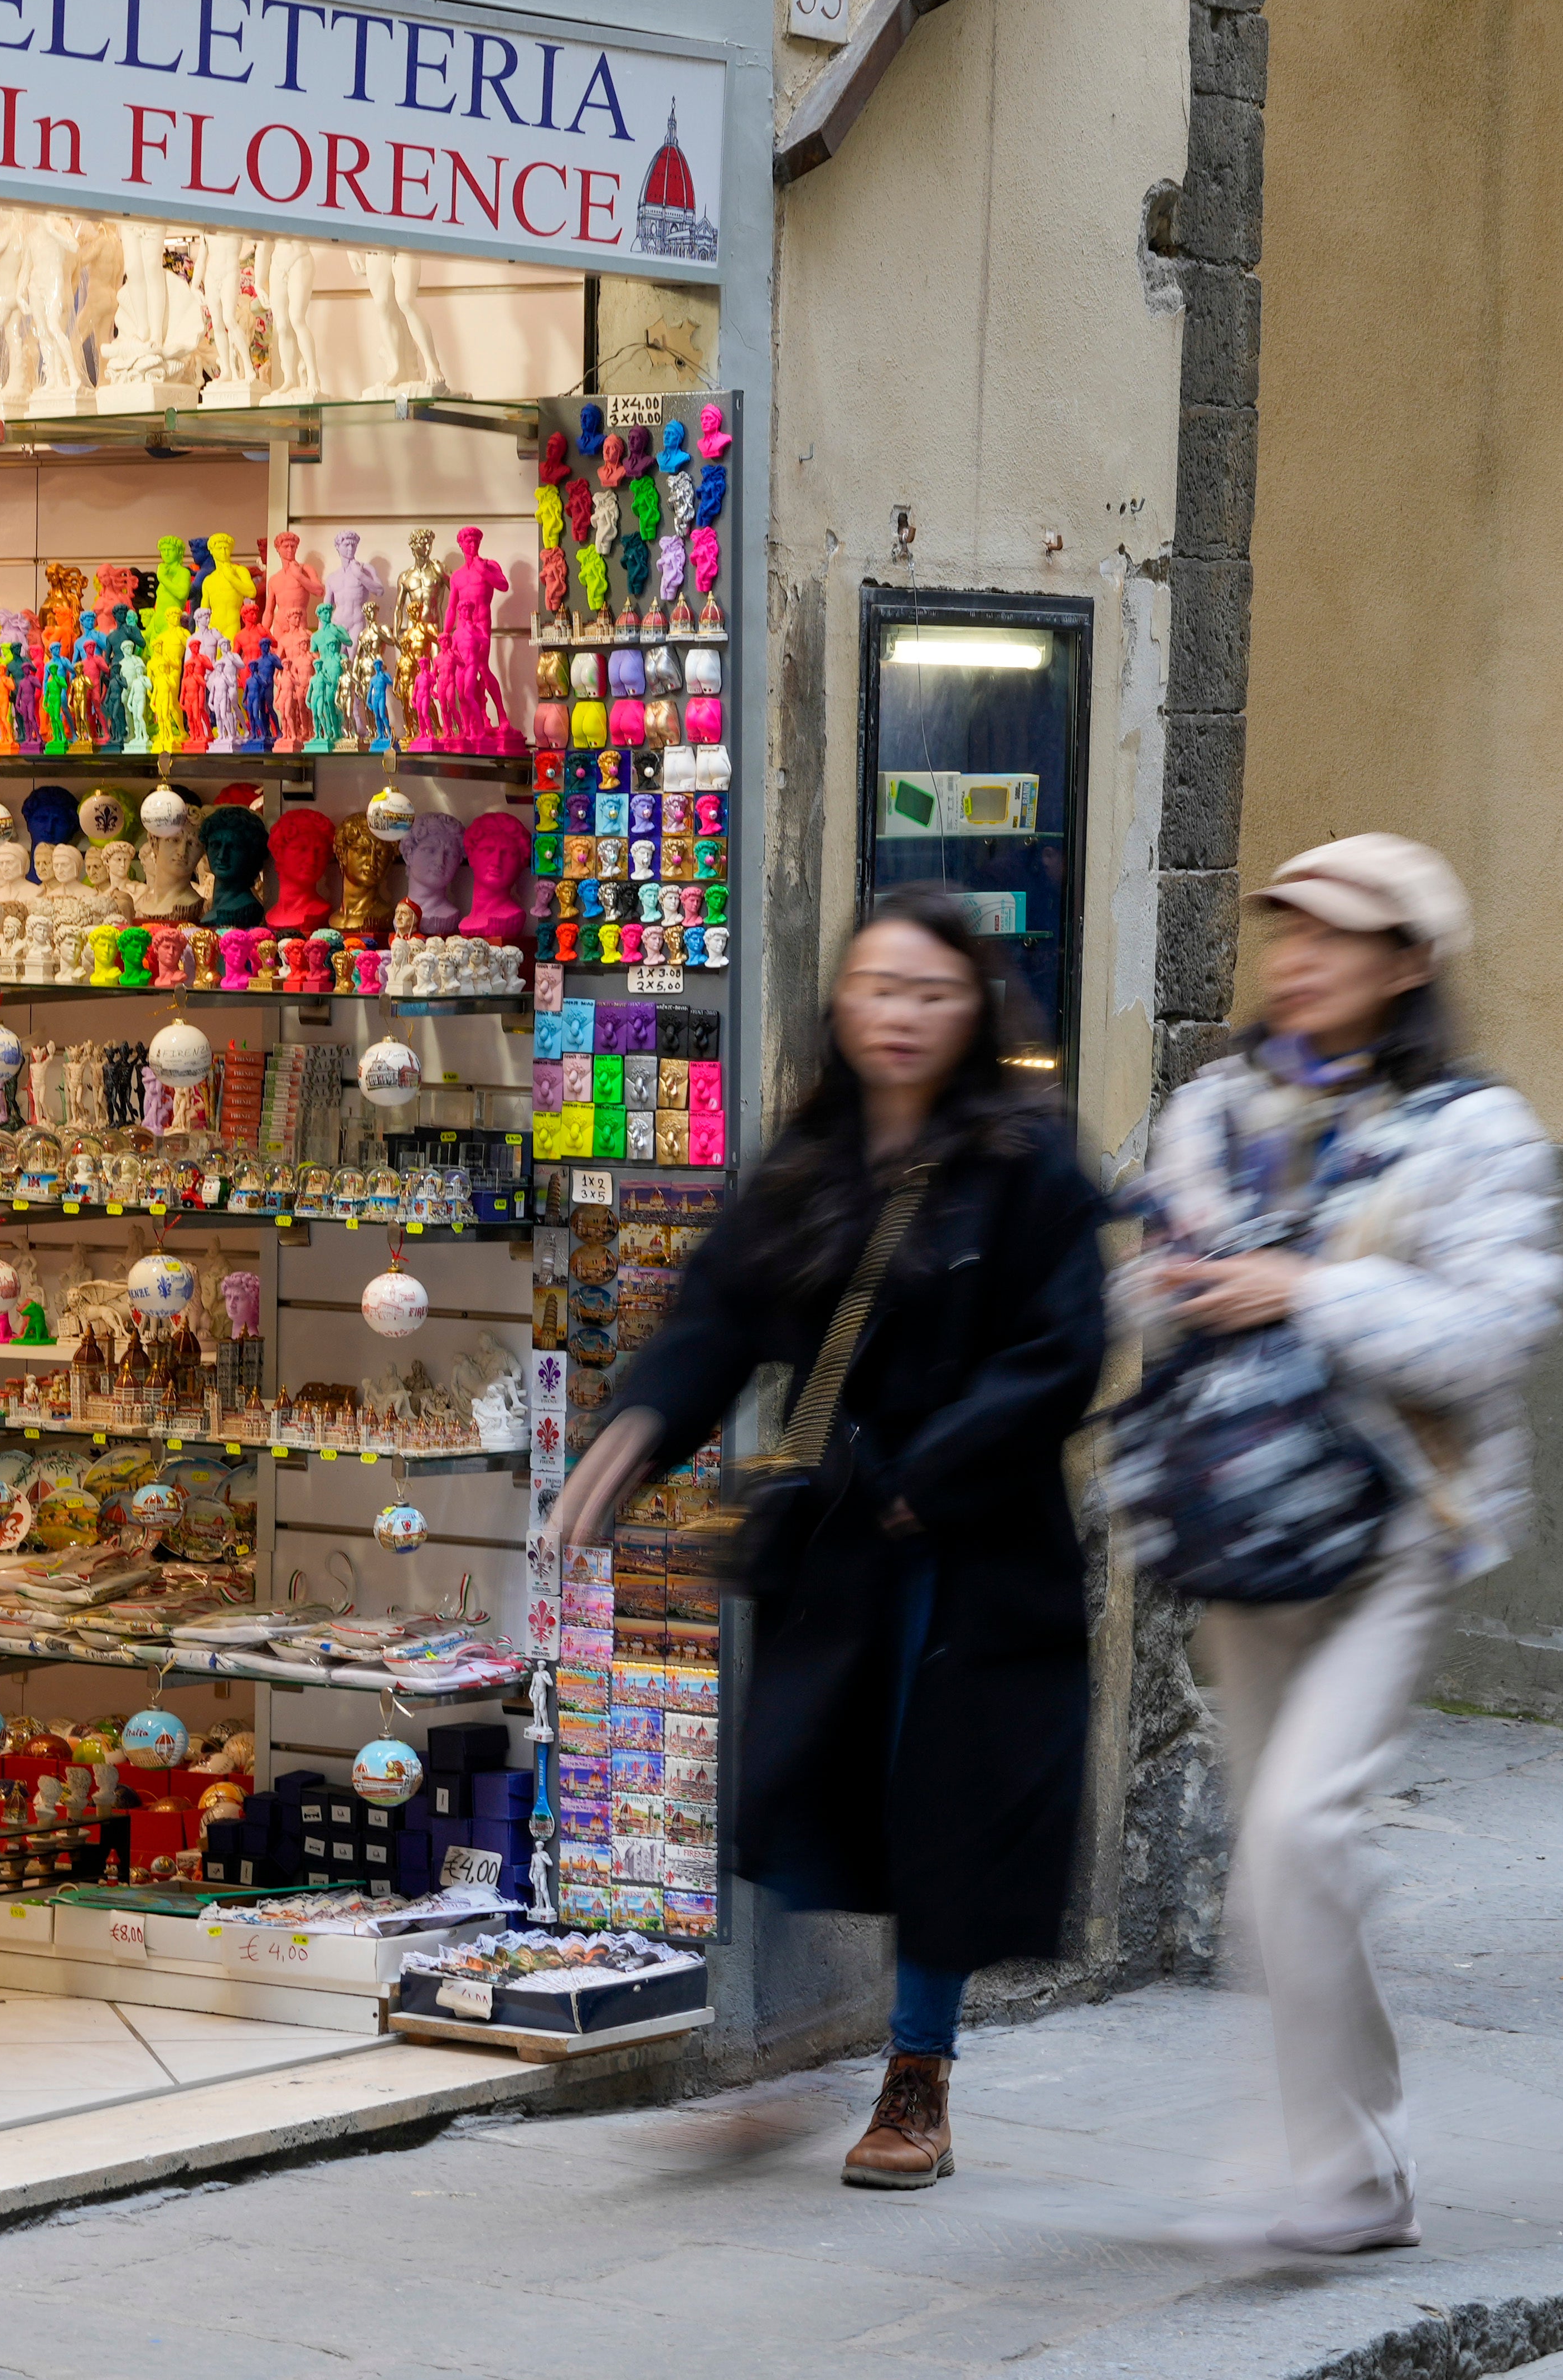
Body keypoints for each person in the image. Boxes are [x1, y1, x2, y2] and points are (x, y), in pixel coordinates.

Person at [551, 887, 1110, 2194]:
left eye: (929, 991)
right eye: (877, 988)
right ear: (841, 1005)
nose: (901, 1015)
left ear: (972, 1008)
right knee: (791, 1792)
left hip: (975, 1547)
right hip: (846, 1538)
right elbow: (716, 1314)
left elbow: (1066, 1345)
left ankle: (916, 2073)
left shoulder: (1028, 1162)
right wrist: (634, 1429)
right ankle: (787, 2064)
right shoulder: (811, 1158)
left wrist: (944, 1462)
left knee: (942, 1810)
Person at [1116, 833, 1563, 2254]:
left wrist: (1306, 1288)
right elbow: (1135, 1269)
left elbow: (1496, 1330)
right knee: (1279, 1854)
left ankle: (1354, 2165)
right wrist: (1167, 1279)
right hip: (1235, 1516)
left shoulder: (1474, 1129)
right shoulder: (1213, 1104)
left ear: (1408, 964)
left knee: (1304, 1832)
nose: (1297, 955)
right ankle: (1347, 2169)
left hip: (1389, 1523)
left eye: (1337, 933)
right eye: (1285, 928)